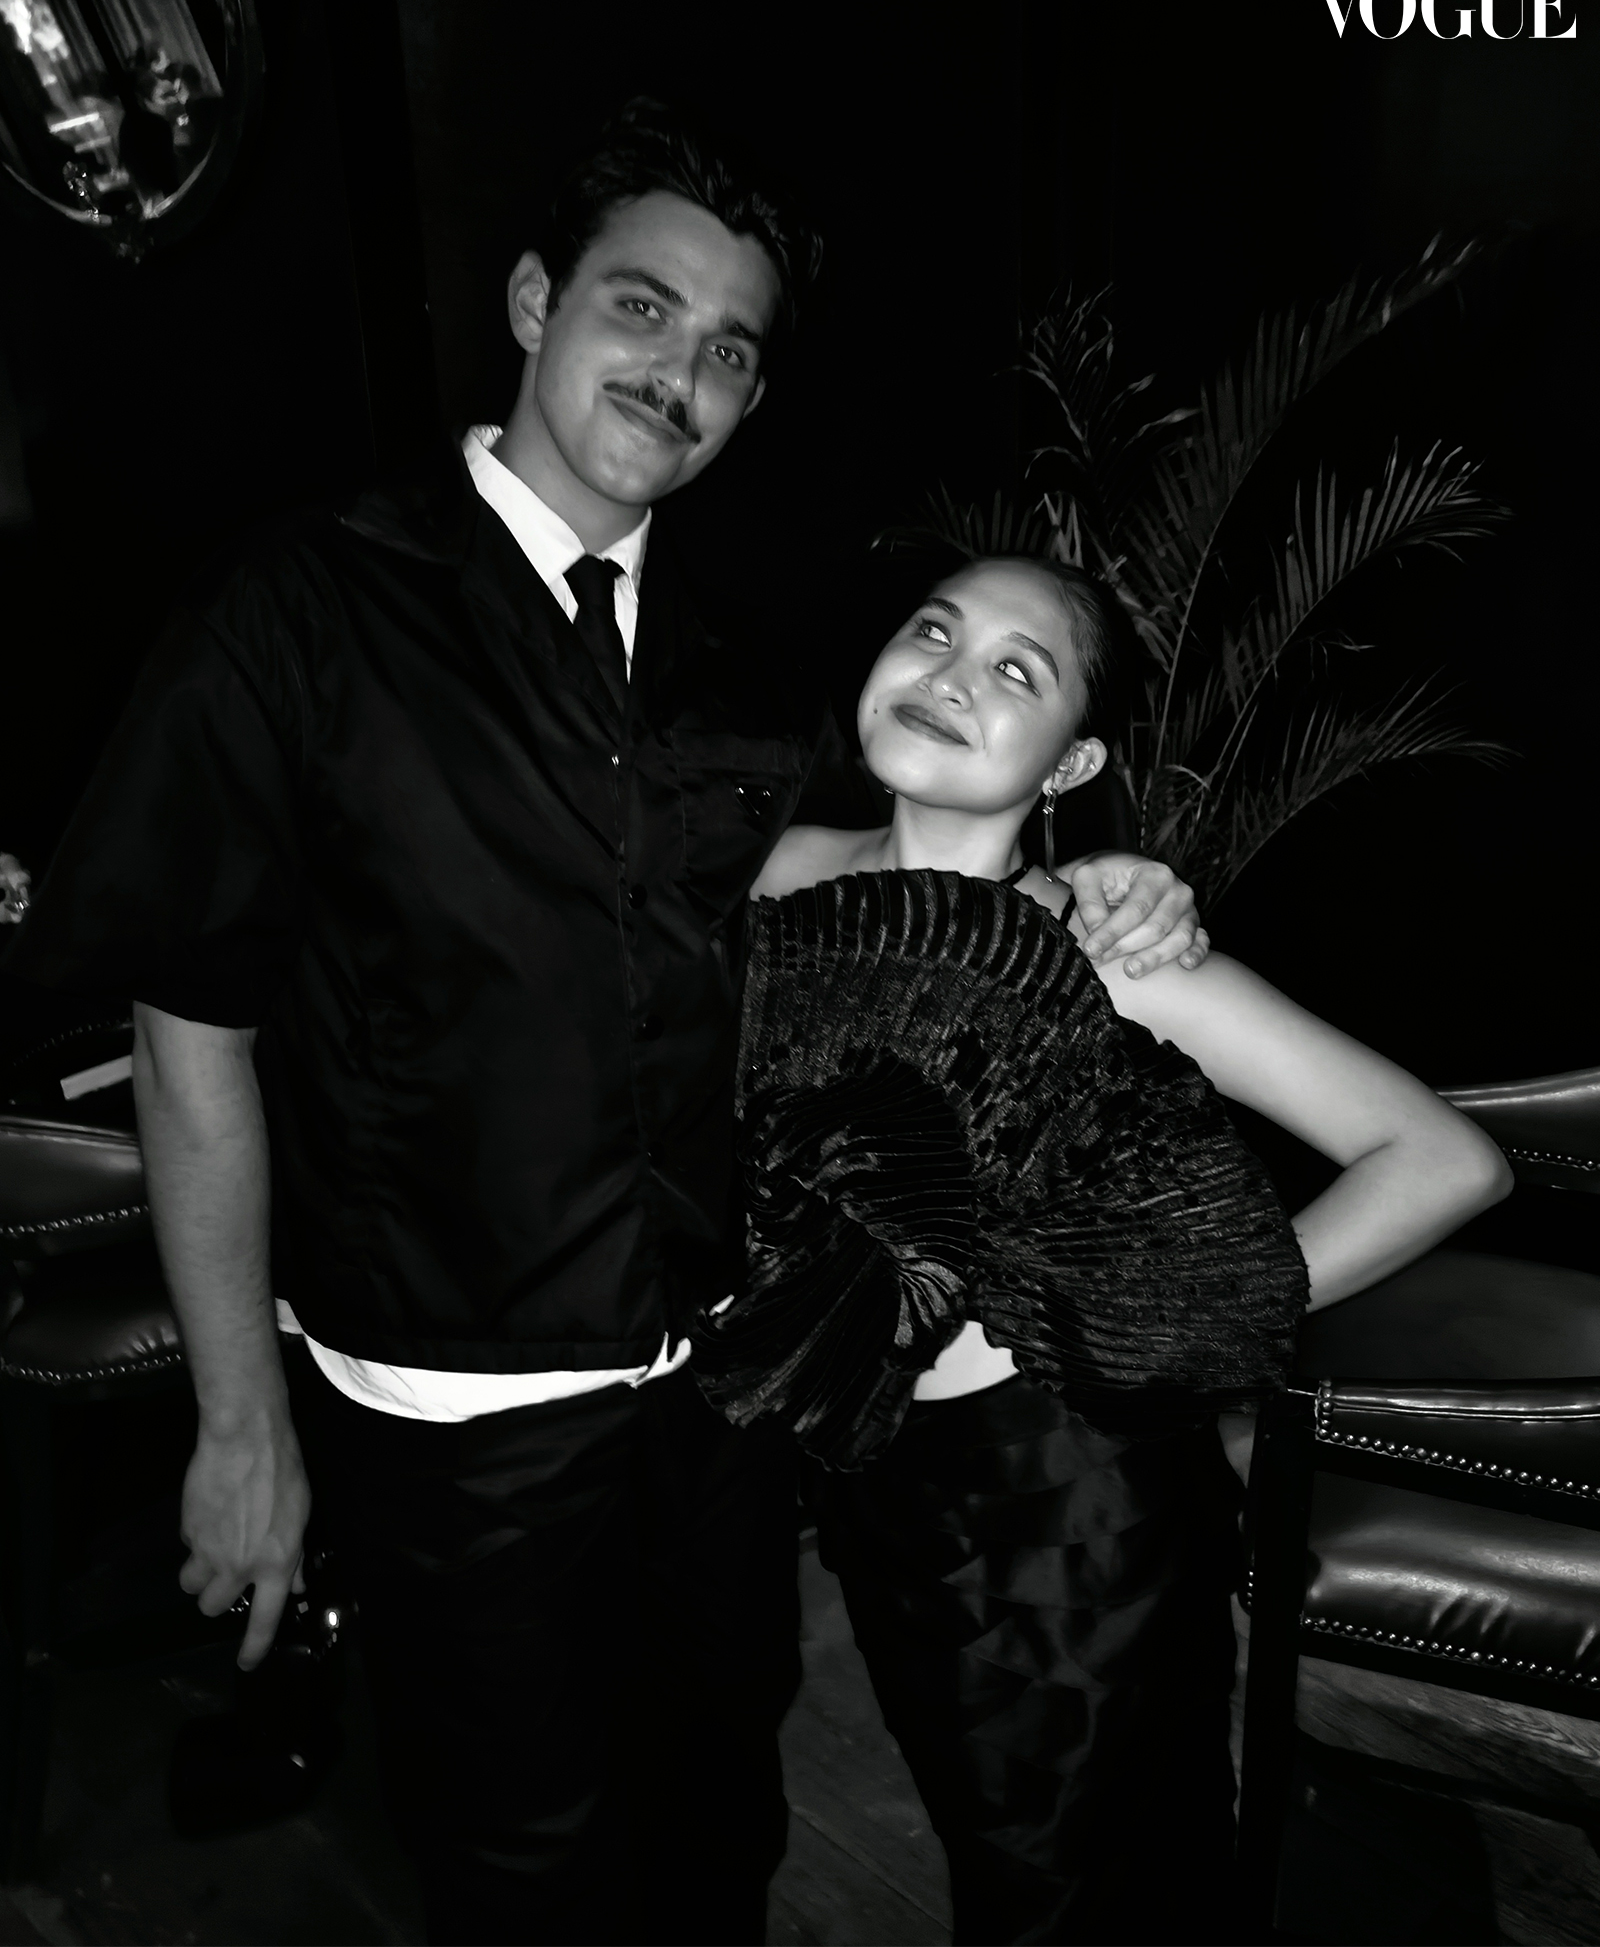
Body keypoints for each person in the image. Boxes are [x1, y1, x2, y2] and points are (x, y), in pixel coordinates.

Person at [1, 107, 1207, 1944]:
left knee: (721, 1820)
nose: (680, 371)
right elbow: (191, 1042)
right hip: (460, 1411)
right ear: (531, 303)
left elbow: (883, 879)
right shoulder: (301, 611)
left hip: (715, 1402)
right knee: (524, 1871)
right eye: (642, 307)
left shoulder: (742, 673)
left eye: (729, 350)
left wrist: (1101, 885)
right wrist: (241, 1421)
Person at [693, 553, 1512, 1945]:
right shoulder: (770, 875)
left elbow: (1443, 1160)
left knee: (1076, 1886)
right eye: (934, 632)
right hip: (876, 1488)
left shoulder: (1115, 953)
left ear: (1072, 763)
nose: (951, 677)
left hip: (1068, 1505)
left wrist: (1164, 1313)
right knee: (993, 1847)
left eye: (1015, 670)